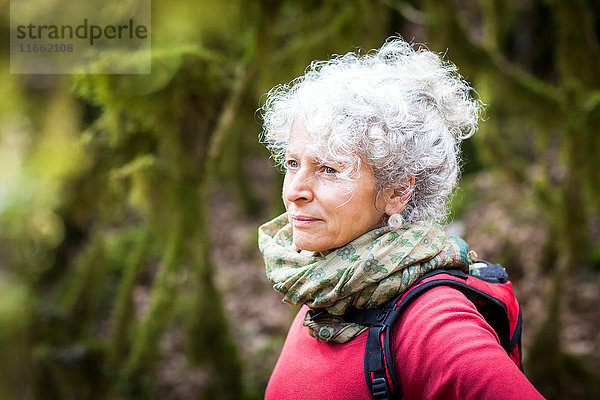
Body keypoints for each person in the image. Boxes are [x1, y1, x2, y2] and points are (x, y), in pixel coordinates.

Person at [258, 37, 544, 400]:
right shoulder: (329, 286)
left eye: (329, 169)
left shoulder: (435, 325)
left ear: (396, 192)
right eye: (292, 163)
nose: (294, 190)